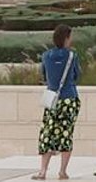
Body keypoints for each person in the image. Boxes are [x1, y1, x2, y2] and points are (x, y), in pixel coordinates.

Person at [35, 24, 80, 180]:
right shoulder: (72, 56)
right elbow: (76, 75)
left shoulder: (46, 55)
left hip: (52, 98)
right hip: (69, 98)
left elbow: (44, 75)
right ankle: (62, 171)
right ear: (66, 38)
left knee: (47, 132)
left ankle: (43, 171)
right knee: (66, 133)